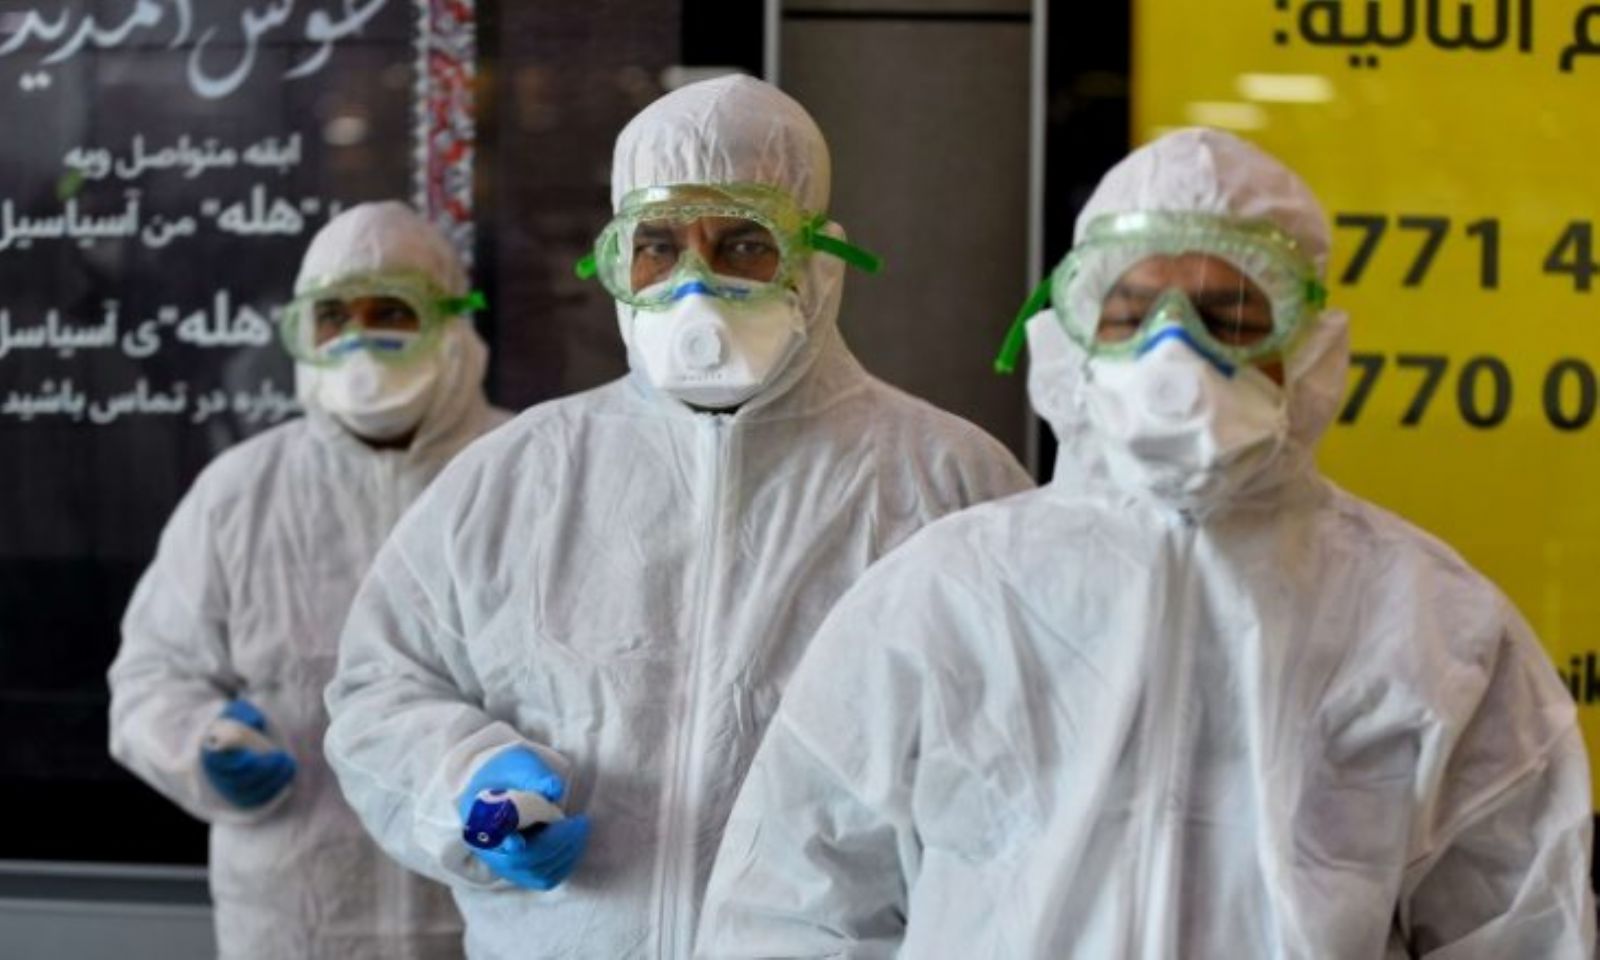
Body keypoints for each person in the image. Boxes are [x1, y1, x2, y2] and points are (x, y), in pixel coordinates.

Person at [694, 128, 1596, 958]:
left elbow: (1525, 931)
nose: (1175, 352)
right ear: (1074, 338)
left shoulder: (1431, 626)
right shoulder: (948, 597)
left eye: (1227, 316)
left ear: (1307, 348)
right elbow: (794, 909)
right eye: (1131, 316)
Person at [322, 75, 1033, 959]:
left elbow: (1033, 762)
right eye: (658, 246)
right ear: (618, 263)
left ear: (818, 261)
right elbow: (381, 685)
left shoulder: (947, 483)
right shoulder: (519, 475)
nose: (695, 286)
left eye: (744, 243)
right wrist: (465, 779)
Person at [109, 201, 506, 959]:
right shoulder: (241, 493)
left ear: (453, 321)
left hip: (485, 911)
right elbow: (151, 675)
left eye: (391, 310)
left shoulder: (528, 473)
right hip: (296, 921)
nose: (359, 337)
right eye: (332, 317)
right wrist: (201, 745)